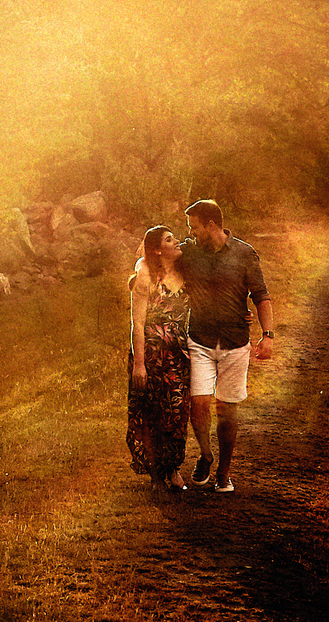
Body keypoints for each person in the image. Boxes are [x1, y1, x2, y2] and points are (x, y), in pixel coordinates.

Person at [181, 199, 275, 493]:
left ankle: (224, 471)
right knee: (198, 401)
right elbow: (151, 254)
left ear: (211, 225)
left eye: (194, 227)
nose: (191, 232)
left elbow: (261, 295)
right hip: (200, 338)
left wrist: (267, 334)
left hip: (235, 342)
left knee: (228, 409)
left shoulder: (245, 253)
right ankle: (206, 455)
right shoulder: (188, 251)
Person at [128, 225, 190, 492]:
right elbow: (137, 324)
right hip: (151, 354)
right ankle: (156, 474)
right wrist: (139, 364)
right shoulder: (145, 277)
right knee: (153, 413)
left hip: (178, 353)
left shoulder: (186, 272)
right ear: (157, 249)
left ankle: (173, 467)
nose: (176, 242)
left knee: (177, 412)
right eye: (169, 240)